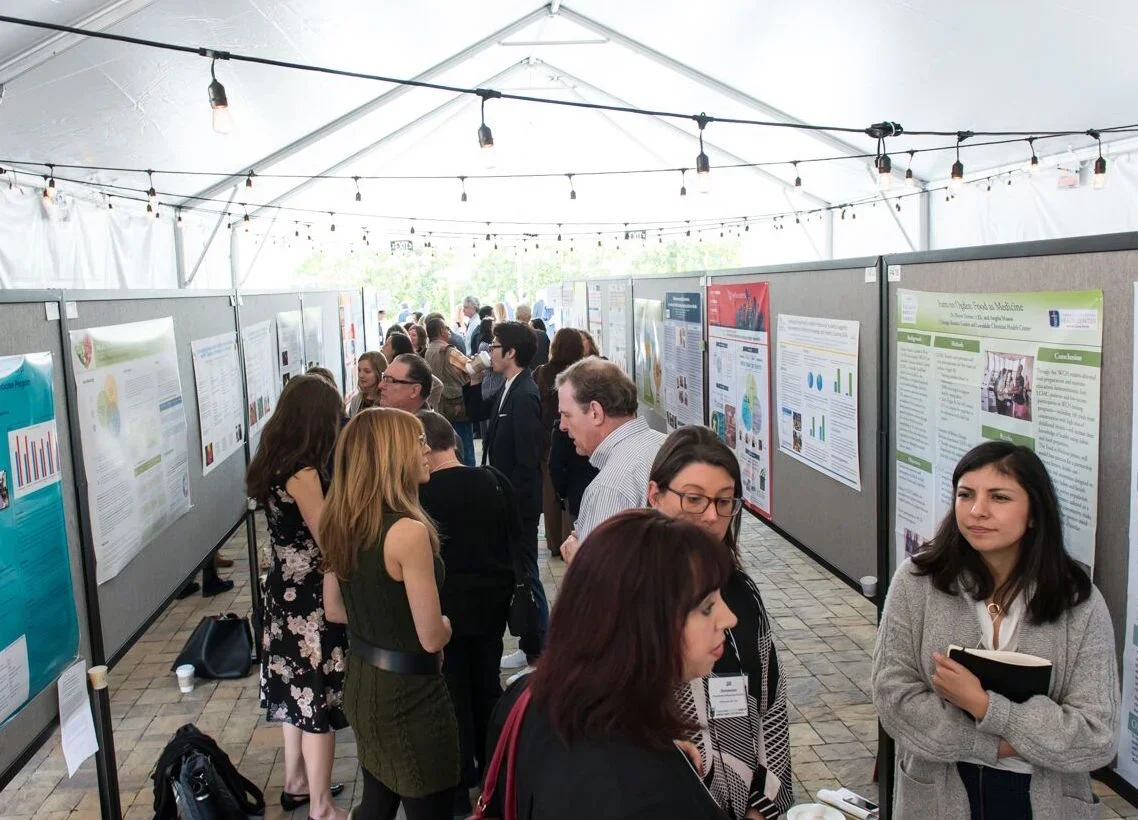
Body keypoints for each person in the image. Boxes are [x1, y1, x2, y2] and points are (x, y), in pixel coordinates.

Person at [872, 441, 1118, 820]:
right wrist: (998, 744)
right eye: (965, 495)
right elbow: (894, 699)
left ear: (1034, 513)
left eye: (999, 497)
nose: (977, 511)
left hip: (1044, 799)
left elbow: (1095, 735)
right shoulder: (917, 581)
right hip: (937, 793)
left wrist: (986, 707)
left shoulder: (1078, 601)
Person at [481, 510, 735, 819]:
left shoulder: (525, 696)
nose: (729, 618)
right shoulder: (651, 795)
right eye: (707, 607)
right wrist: (658, 772)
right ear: (642, 624)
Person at [320, 409, 459, 820]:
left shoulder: (341, 519)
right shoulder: (407, 533)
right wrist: (448, 625)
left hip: (363, 683)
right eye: (416, 442)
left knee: (377, 802)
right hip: (411, 694)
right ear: (390, 454)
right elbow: (431, 636)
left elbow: (334, 608)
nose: (425, 450)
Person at [648, 427, 793, 819]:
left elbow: (771, 703)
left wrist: (761, 809)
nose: (711, 516)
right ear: (655, 496)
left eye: (724, 502)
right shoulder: (630, 598)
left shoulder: (741, 593)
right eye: (694, 499)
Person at [245, 375, 348, 820]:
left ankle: (297, 783)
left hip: (282, 591)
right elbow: (329, 538)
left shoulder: (273, 461)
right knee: (317, 702)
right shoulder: (305, 473)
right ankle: (322, 806)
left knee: (295, 696)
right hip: (309, 599)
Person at [416, 411, 515, 814]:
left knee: (453, 694)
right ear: (453, 442)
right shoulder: (495, 481)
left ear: (424, 448)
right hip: (491, 606)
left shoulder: (421, 496)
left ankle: (457, 788)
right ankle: (496, 773)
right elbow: (516, 537)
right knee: (488, 687)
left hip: (446, 611)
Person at [464, 322, 547, 680]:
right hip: (509, 500)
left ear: (511, 352)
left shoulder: (525, 394)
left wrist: (512, 507)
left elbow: (528, 461)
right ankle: (530, 646)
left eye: (495, 346)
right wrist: (471, 382)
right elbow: (480, 416)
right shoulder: (508, 387)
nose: (491, 352)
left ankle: (539, 657)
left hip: (520, 506)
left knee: (528, 575)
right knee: (521, 572)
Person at [555, 358, 666, 563]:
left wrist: (578, 559)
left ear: (596, 413)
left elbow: (600, 585)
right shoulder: (666, 444)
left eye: (566, 415)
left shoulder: (610, 487)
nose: (562, 425)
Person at [535, 328, 590, 557]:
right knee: (575, 486)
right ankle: (572, 537)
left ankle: (554, 539)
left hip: (548, 438)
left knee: (550, 489)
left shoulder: (541, 373)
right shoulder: (584, 373)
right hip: (578, 436)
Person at [423, 317, 475, 467]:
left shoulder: (429, 351)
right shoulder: (449, 351)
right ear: (441, 331)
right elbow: (470, 367)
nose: (448, 330)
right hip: (458, 406)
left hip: (440, 407)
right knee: (466, 449)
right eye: (446, 327)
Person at [348, 351, 388, 417]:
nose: (361, 375)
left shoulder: (387, 401)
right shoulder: (356, 400)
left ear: (379, 373)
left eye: (367, 371)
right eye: (359, 370)